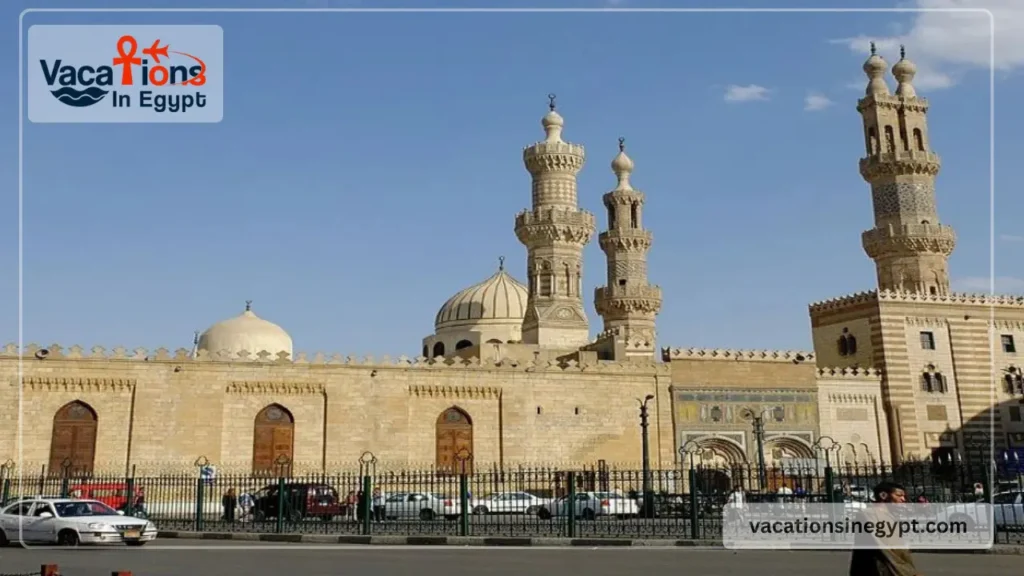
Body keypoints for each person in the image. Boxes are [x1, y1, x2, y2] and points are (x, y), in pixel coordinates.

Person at [848, 481, 920, 576]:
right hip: (878, 569)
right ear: (883, 495)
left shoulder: (889, 516)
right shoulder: (870, 515)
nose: (903, 499)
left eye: (904, 496)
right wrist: (909, 572)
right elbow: (886, 550)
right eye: (899, 495)